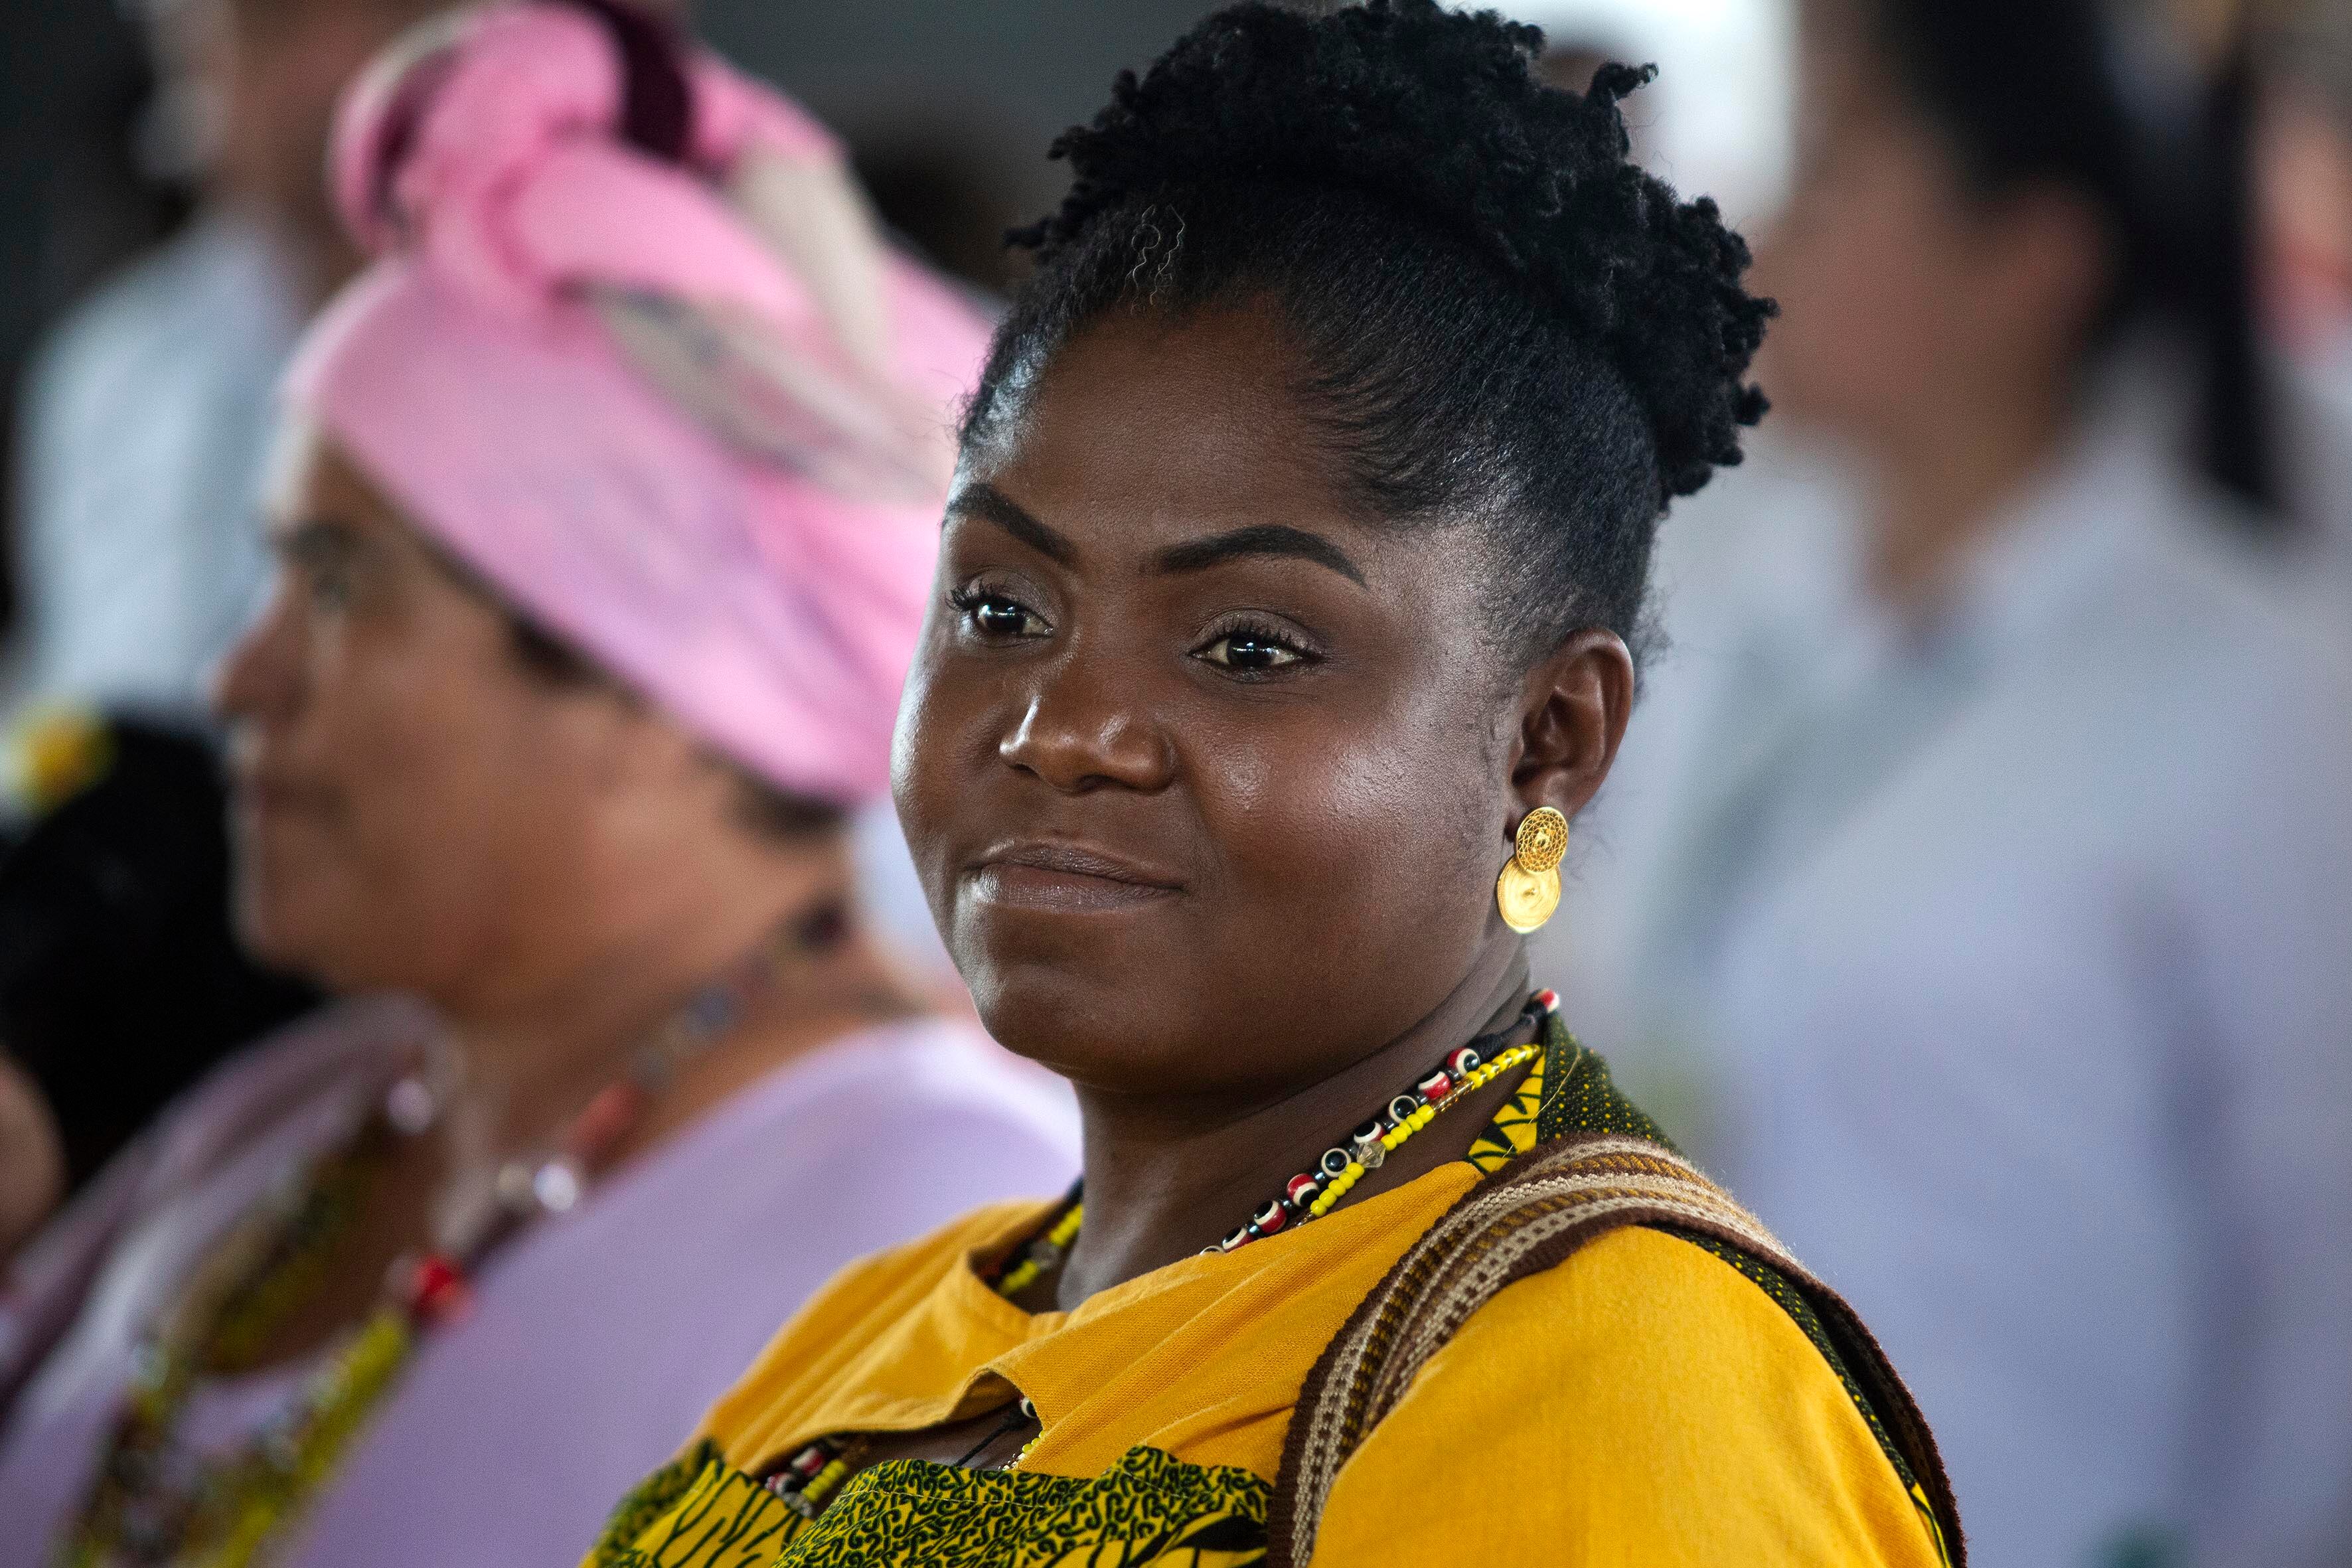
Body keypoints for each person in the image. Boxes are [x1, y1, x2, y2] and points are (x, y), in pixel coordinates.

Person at [586, 6, 1962, 1565]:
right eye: (999, 608)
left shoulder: (1613, 1388)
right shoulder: (880, 1320)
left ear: (1549, 738)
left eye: (1246, 644)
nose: (1061, 725)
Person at [0, 5, 1076, 1563]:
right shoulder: (296, 1119)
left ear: (652, 689)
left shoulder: (949, 1243)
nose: (235, 678)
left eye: (337, 582)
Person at [1574, 0, 2352, 1563]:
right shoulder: (1707, 578)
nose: (1768, 227)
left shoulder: (2257, 687)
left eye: (1834, 169)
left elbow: (2319, 1287)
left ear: (2031, 261)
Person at [8, 0, 464, 721]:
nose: (333, 78)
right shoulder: (113, 375)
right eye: (270, 24)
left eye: (398, 14)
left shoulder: (630, 357)